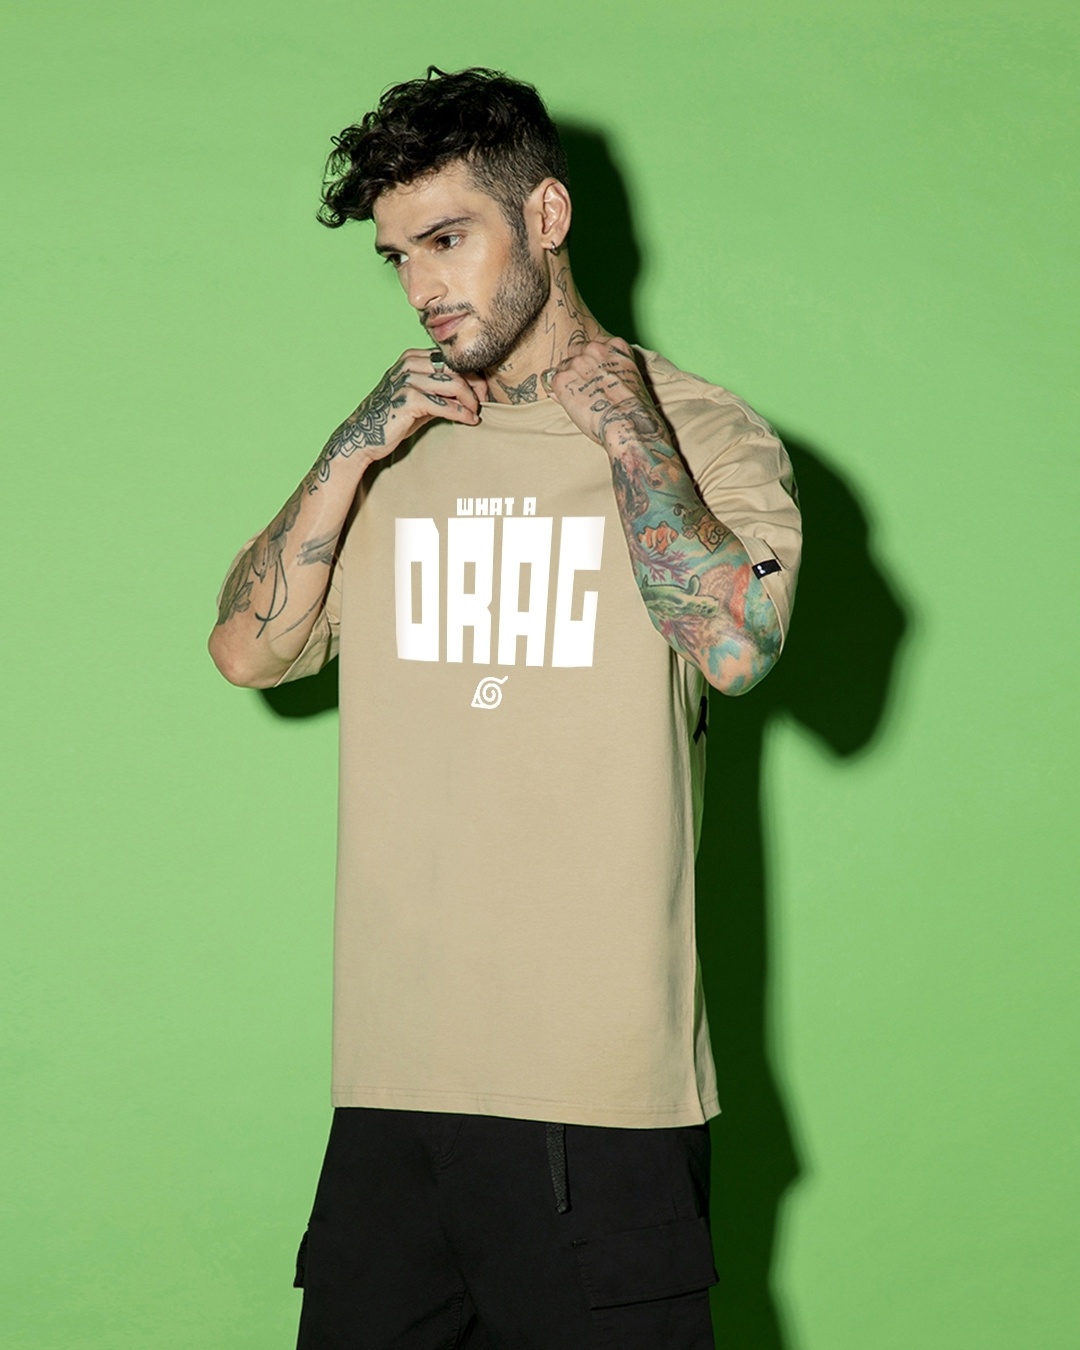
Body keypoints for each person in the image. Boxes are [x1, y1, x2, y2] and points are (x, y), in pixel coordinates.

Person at [209, 66, 801, 1350]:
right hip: (391, 1088)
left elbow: (736, 648)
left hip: (603, 1099)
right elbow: (248, 652)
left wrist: (625, 422)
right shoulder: (394, 443)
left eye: (448, 239)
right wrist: (350, 451)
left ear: (546, 215)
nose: (423, 287)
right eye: (397, 257)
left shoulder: (703, 432)